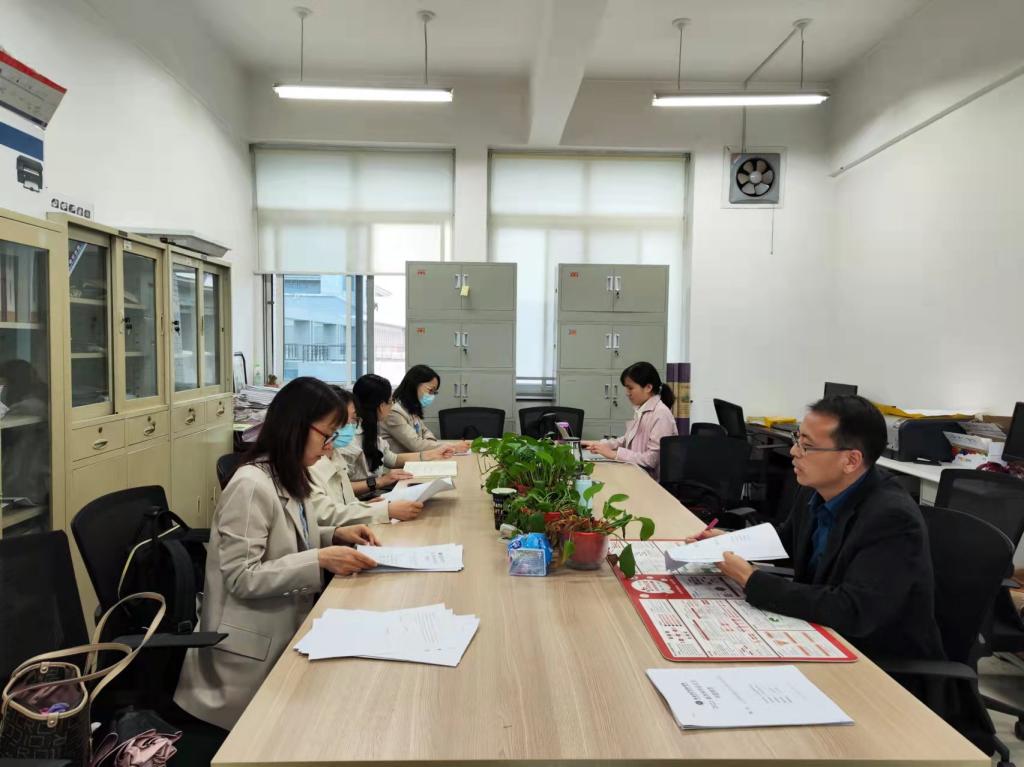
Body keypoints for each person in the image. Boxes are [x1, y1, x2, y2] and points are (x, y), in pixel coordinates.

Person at [175, 377, 381, 730]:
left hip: (286, 624)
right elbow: (243, 577)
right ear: (297, 426)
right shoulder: (250, 486)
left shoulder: (289, 474)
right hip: (245, 658)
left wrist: (334, 534)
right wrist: (320, 559)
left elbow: (290, 539)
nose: (328, 449)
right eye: (326, 436)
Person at [689, 395, 944, 661]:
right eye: (797, 439)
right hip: (820, 634)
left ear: (851, 461)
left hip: (878, 660)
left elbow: (852, 610)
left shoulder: (892, 519)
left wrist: (751, 579)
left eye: (807, 446)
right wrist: (729, 542)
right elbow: (786, 541)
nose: (794, 451)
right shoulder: (817, 489)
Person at [309, 387, 426, 524]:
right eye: (343, 420)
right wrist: (381, 509)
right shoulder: (313, 460)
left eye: (353, 419)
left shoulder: (334, 453)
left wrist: (365, 506)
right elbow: (325, 515)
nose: (350, 425)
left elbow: (345, 502)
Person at [340, 374, 453, 484]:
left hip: (375, 490)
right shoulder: (349, 438)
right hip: (368, 494)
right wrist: (379, 482)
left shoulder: (371, 429)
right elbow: (341, 488)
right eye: (390, 402)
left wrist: (433, 454)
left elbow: (393, 459)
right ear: (381, 406)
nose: (392, 406)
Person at [581, 361, 678, 479]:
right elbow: (626, 440)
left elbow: (651, 459)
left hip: (650, 481)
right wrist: (600, 445)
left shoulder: (661, 414)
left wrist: (614, 454)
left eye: (630, 388)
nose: (627, 393)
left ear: (648, 387)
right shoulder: (642, 409)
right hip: (635, 473)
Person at [382, 365, 469, 454]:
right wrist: (452, 447)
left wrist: (429, 444)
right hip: (401, 461)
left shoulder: (410, 408)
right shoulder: (393, 412)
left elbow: (425, 431)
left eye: (434, 392)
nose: (432, 396)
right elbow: (416, 445)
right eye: (431, 390)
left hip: (415, 458)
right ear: (414, 385)